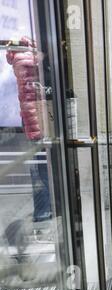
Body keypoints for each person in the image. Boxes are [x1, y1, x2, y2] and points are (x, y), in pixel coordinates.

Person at [6, 37, 52, 223]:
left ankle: (43, 209)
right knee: (40, 166)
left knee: (39, 164)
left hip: (33, 117)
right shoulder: (28, 58)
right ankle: (43, 210)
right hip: (38, 118)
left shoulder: (21, 58)